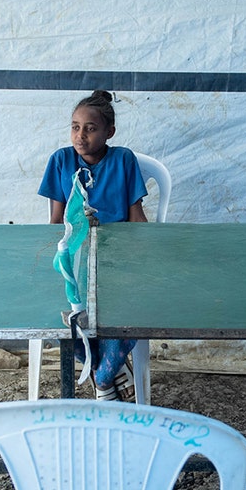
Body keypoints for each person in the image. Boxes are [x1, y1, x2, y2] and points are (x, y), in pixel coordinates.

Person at [38, 89, 149, 400]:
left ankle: (101, 378)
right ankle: (112, 369)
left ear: (109, 132)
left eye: (90, 128)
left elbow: (136, 216)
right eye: (75, 126)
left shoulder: (124, 160)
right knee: (60, 316)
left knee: (130, 311)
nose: (80, 135)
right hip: (74, 262)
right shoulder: (60, 160)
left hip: (118, 261)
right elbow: (57, 221)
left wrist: (151, 256)